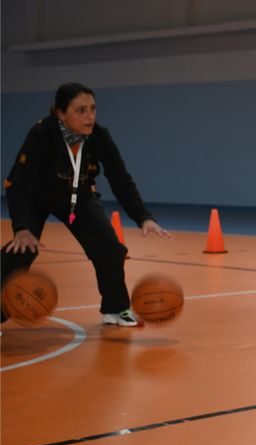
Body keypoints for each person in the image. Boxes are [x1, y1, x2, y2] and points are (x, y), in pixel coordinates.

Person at [2, 82, 172, 327]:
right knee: (23, 249)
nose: (90, 116)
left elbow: (120, 179)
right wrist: (21, 227)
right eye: (81, 110)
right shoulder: (42, 133)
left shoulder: (99, 136)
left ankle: (116, 309)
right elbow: (19, 184)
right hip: (36, 196)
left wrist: (143, 217)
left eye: (92, 109)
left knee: (111, 249)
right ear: (61, 114)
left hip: (77, 196)